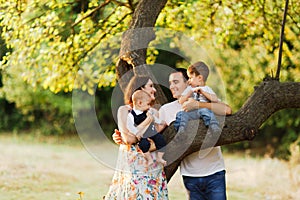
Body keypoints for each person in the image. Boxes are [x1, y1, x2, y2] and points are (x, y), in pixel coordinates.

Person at [158, 67, 231, 200]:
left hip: (215, 172)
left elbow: (227, 110)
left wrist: (198, 105)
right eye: (170, 83)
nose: (171, 86)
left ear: (188, 83)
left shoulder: (204, 97)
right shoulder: (166, 110)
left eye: (176, 82)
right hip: (190, 175)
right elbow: (155, 132)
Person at [104, 75, 168, 200]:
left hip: (153, 170)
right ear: (140, 90)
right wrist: (127, 136)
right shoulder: (125, 110)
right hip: (134, 170)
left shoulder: (153, 112)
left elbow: (155, 138)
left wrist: (134, 135)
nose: (154, 90)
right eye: (150, 86)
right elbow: (129, 139)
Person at [174, 61, 221, 136]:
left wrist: (203, 92)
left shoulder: (206, 89)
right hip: (190, 112)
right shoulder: (189, 89)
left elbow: (215, 99)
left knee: (207, 112)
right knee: (181, 114)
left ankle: (214, 127)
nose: (188, 81)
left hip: (201, 110)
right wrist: (188, 93)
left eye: (190, 78)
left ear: (199, 78)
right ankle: (181, 129)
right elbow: (180, 101)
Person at [127, 90, 167, 166]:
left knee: (161, 140)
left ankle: (159, 157)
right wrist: (136, 133)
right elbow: (130, 126)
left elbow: (154, 118)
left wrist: (161, 122)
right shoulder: (131, 115)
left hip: (151, 131)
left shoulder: (148, 111)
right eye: (148, 104)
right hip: (143, 135)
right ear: (140, 103)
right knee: (144, 144)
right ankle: (149, 159)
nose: (149, 107)